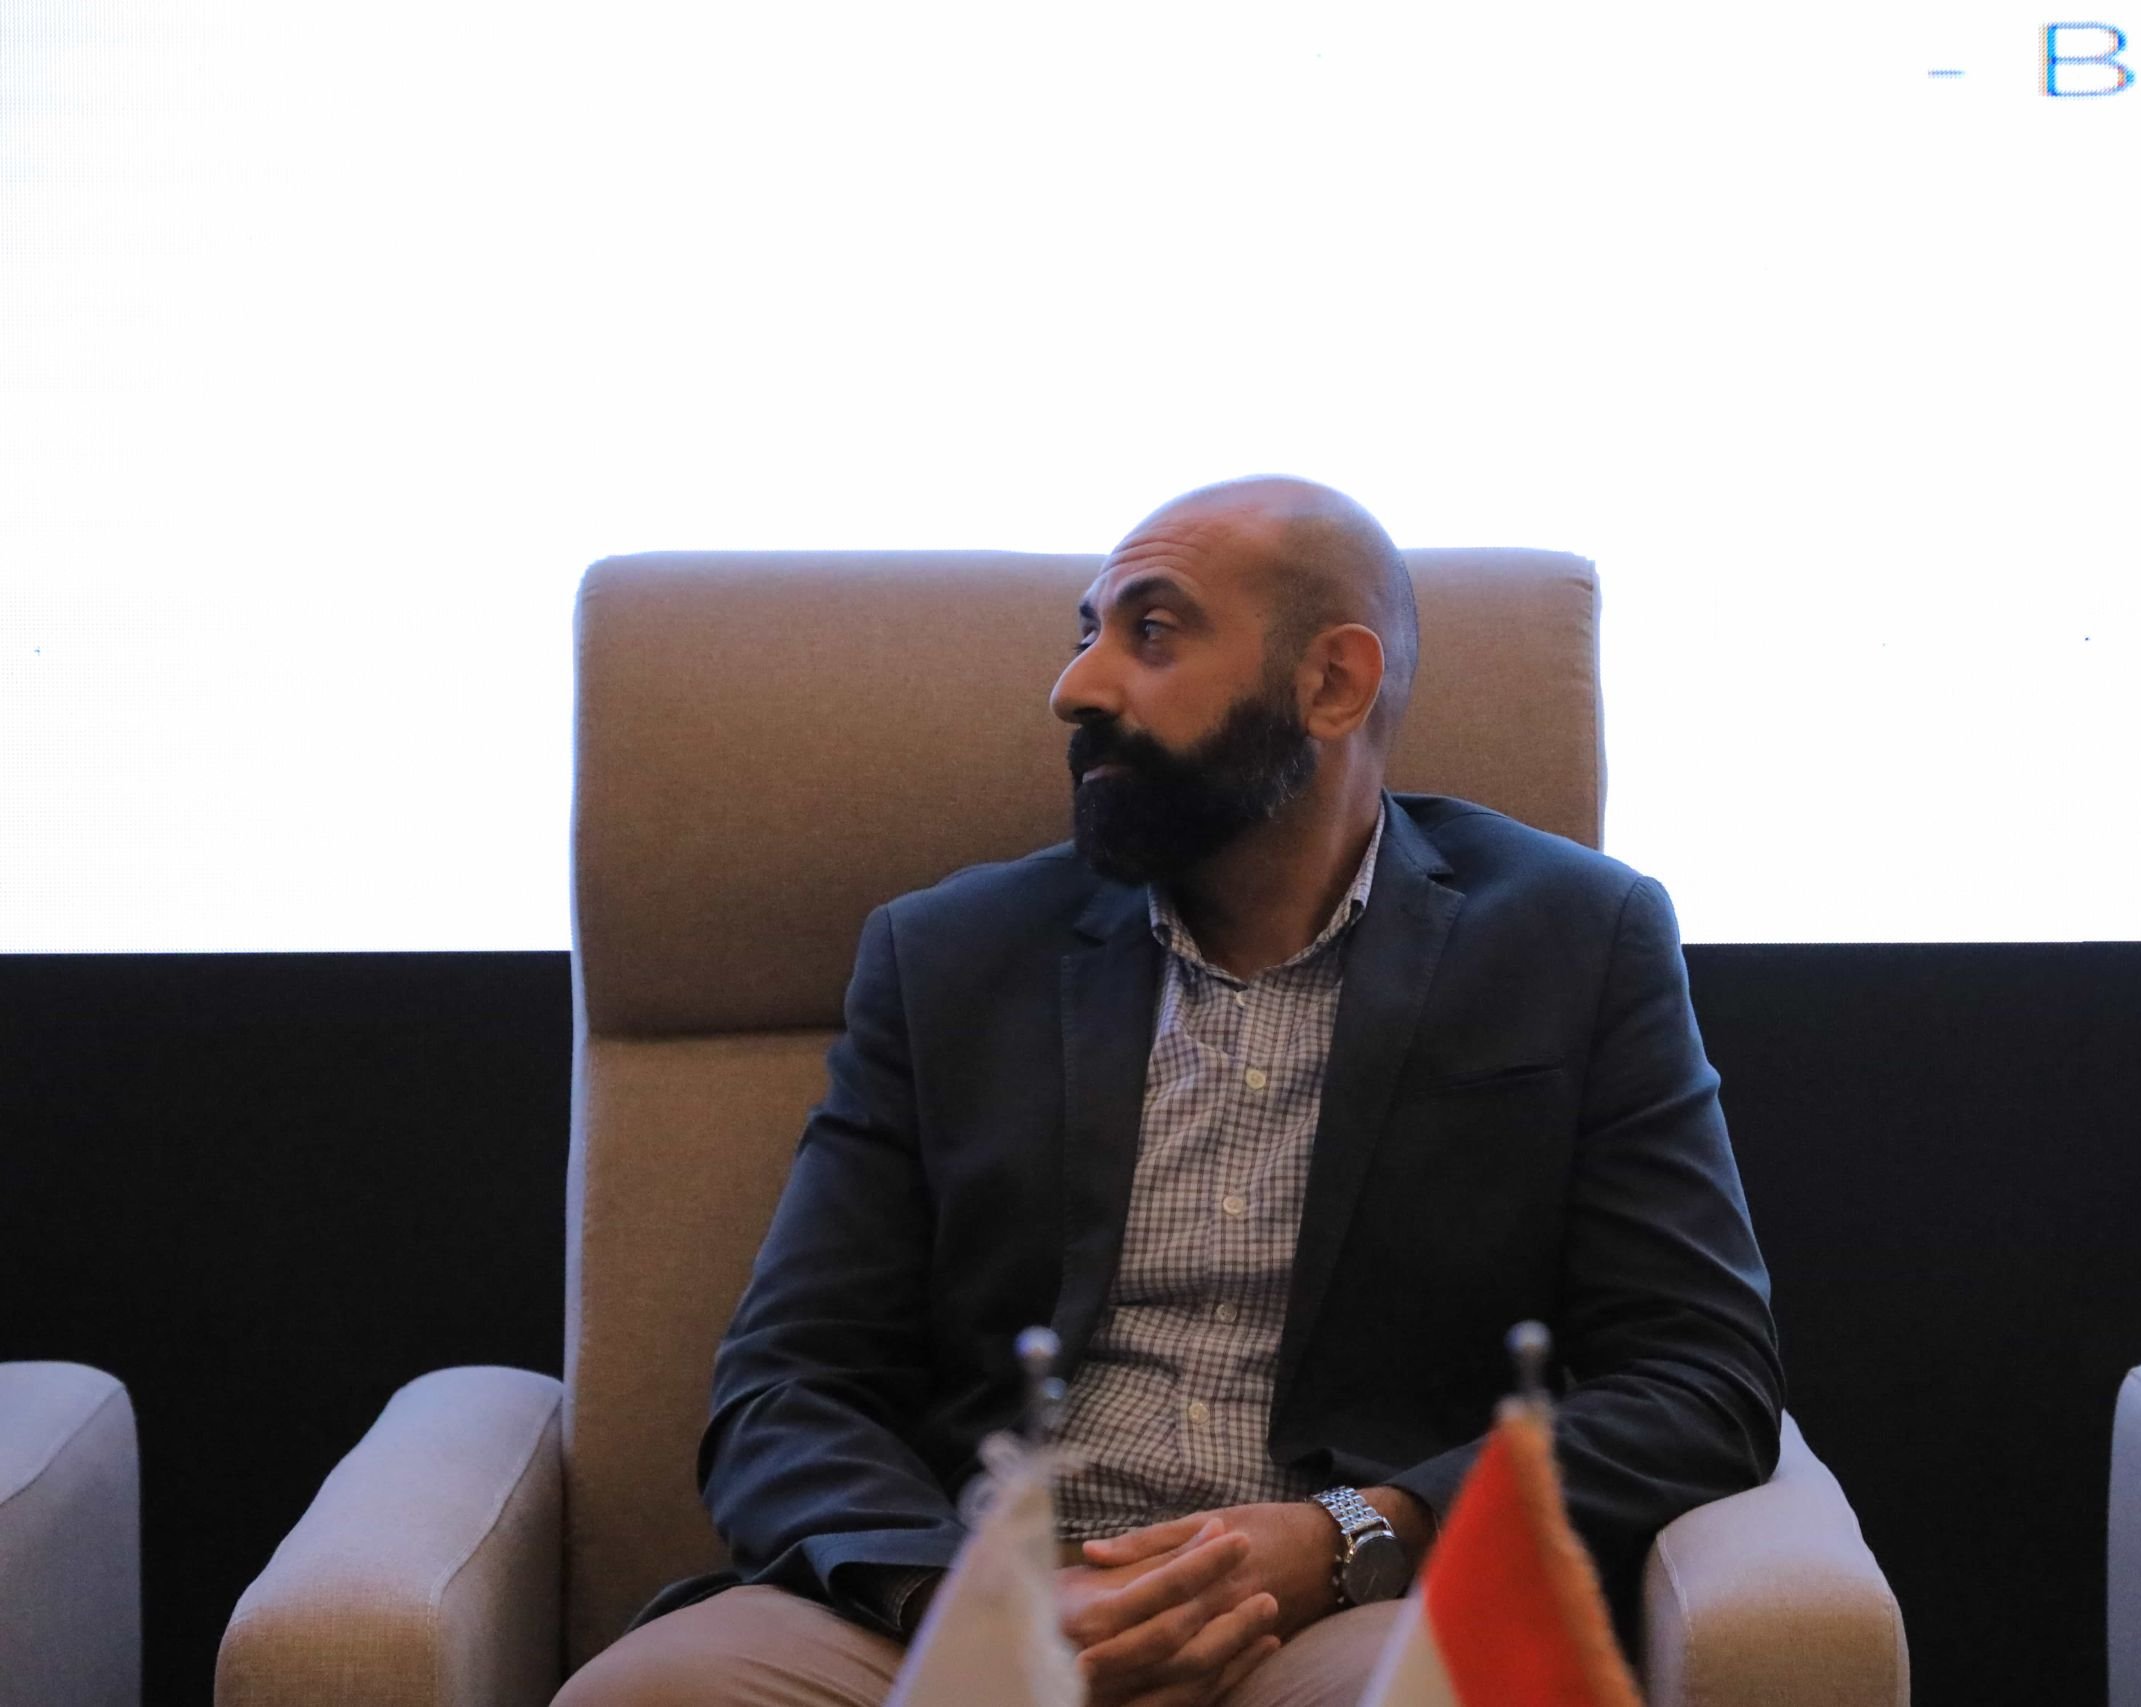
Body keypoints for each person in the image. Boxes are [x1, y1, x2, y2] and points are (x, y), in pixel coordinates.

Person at [553, 477, 1783, 1707]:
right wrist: (957, 1596)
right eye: (1086, 632)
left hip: (1340, 1611)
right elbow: (789, 1385)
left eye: (1151, 632)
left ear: (1331, 684)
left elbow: (1699, 1377)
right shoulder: (949, 957)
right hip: (961, 1597)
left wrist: (1360, 1529)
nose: (1076, 687)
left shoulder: (1573, 940)